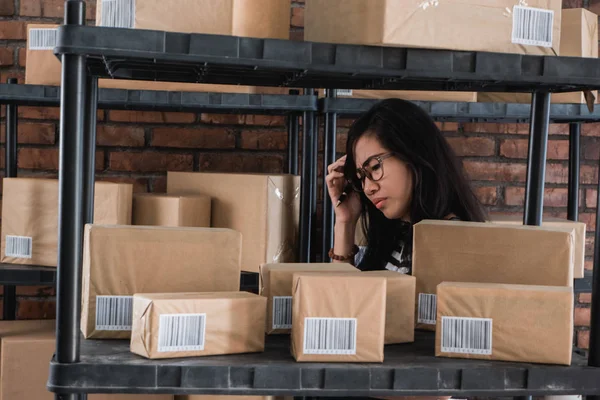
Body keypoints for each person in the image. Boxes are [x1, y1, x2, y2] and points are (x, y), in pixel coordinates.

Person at [326, 98, 487, 270]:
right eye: (361, 177)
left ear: (413, 154)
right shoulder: (397, 234)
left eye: (375, 167)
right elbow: (342, 294)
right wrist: (345, 221)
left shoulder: (450, 242)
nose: (368, 188)